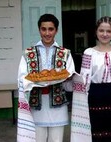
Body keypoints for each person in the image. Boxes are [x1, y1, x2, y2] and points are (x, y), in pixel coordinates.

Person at [17, 13, 75, 142]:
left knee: (56, 140)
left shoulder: (65, 53)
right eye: (44, 29)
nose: (47, 33)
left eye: (51, 29)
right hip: (36, 104)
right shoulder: (28, 53)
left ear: (56, 30)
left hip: (58, 105)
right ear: (39, 30)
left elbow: (69, 78)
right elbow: (22, 78)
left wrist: (71, 80)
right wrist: (37, 81)